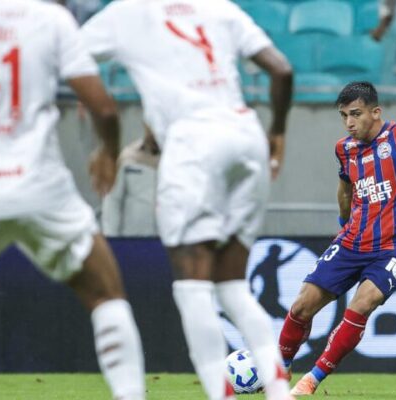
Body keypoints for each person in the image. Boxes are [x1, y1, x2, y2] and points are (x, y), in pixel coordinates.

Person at [0, 0, 146, 399]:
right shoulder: (49, 18)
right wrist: (108, 151)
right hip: (40, 186)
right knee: (106, 295)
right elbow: (102, 105)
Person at [81, 1, 294, 399]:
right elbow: (282, 69)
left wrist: (105, 145)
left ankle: (220, 393)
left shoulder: (127, 13)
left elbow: (69, 59)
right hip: (246, 135)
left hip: (192, 144)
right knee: (232, 285)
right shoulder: (218, 8)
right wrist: (277, 132)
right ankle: (278, 390)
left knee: (193, 287)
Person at [276, 82, 396, 395]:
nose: (349, 122)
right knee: (302, 305)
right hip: (351, 241)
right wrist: (344, 222)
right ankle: (280, 371)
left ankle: (311, 380)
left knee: (363, 302)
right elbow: (345, 187)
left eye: (355, 114)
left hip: (395, 246)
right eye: (344, 116)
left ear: (376, 112)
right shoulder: (344, 149)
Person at [101, 127, 160, 237]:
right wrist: (112, 240)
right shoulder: (128, 156)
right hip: (132, 241)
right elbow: (113, 200)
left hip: (168, 244)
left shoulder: (176, 159)